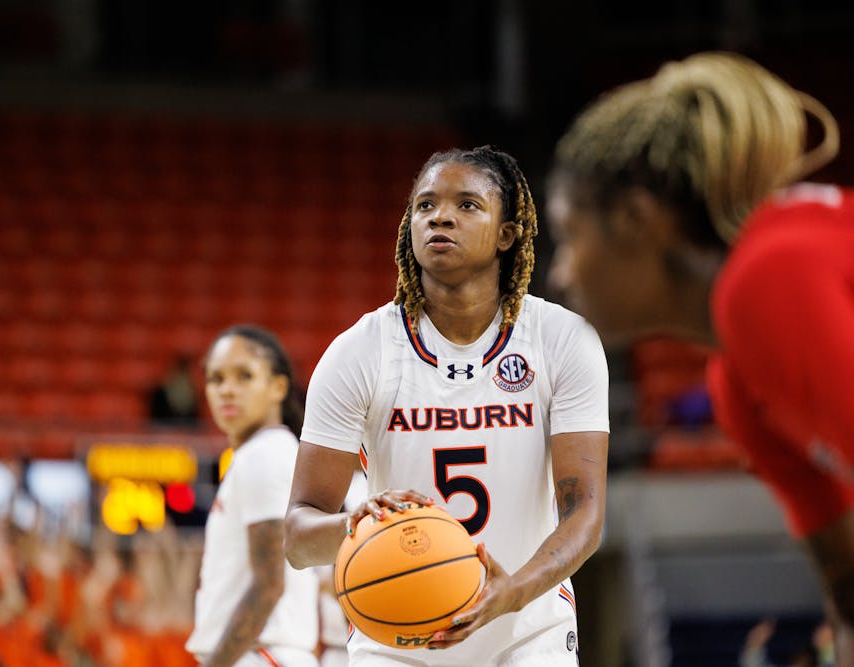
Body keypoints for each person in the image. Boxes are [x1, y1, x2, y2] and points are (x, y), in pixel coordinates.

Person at [544, 51, 852, 663]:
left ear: (635, 220)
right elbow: (847, 587)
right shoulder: (738, 387)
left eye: (569, 237)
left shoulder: (769, 278)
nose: (560, 274)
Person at [284, 146, 610, 666]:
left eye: (467, 205)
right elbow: (298, 536)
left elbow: (585, 516)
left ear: (507, 234)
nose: (440, 215)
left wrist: (512, 593)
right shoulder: (359, 352)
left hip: (526, 631)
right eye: (425, 205)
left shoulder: (563, 340)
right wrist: (354, 527)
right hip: (396, 639)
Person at [187, 326, 320, 667]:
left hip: (258, 655)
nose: (227, 390)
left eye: (244, 376)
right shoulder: (269, 452)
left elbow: (269, 584)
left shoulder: (264, 455)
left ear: (278, 386)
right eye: (216, 379)